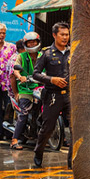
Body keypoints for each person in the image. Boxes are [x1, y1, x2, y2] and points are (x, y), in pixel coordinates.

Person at [32, 22, 71, 168]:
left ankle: (71, 161)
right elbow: (35, 74)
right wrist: (51, 79)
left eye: (67, 34)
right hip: (53, 96)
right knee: (48, 128)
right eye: (62, 34)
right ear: (54, 35)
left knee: (75, 128)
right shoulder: (46, 53)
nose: (65, 37)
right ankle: (38, 152)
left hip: (70, 96)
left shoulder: (72, 52)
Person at [9, 32, 41, 150]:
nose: (32, 44)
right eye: (29, 42)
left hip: (40, 87)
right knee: (24, 113)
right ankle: (14, 139)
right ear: (26, 44)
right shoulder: (21, 56)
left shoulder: (42, 55)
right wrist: (20, 77)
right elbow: (16, 70)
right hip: (25, 89)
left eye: (34, 42)